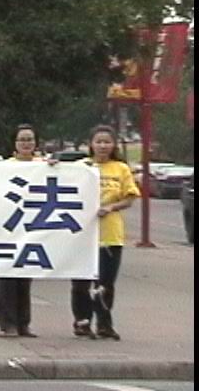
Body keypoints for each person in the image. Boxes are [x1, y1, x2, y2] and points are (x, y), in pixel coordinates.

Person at [71, 124, 139, 341]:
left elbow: (129, 198)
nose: (102, 146)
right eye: (98, 141)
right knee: (81, 282)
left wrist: (111, 207)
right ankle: (82, 322)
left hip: (110, 235)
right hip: (81, 234)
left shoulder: (121, 169)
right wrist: (52, 165)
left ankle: (104, 324)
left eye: (107, 142)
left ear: (113, 145)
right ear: (91, 144)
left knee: (105, 283)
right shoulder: (81, 167)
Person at [0, 124, 43, 338]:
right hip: (6, 228)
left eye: (30, 139)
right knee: (6, 276)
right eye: (22, 139)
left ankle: (24, 323)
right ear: (14, 143)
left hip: (32, 228)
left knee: (25, 277)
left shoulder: (44, 166)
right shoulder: (3, 167)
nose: (26, 143)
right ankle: (8, 324)